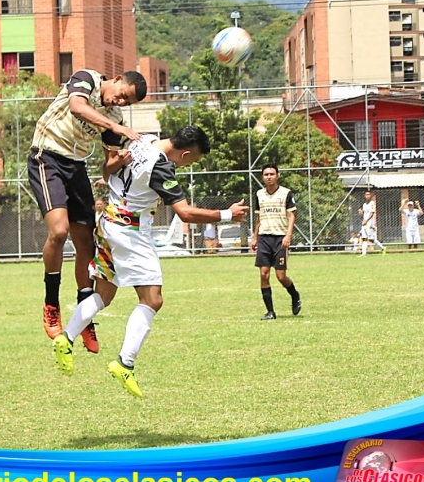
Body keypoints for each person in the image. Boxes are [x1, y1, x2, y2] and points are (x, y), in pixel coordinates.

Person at [51, 126, 249, 397]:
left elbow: (107, 167)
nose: (189, 164)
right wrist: (227, 214)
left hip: (108, 222)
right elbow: (185, 213)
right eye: (193, 160)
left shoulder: (141, 139)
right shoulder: (163, 166)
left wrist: (109, 179)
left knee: (104, 294)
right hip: (131, 232)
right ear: (187, 152)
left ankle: (66, 338)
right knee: (153, 299)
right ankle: (125, 363)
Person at [28, 68, 147, 354]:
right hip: (47, 157)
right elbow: (77, 106)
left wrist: (120, 160)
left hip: (76, 167)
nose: (120, 104)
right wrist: (116, 128)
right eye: (122, 96)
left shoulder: (113, 120)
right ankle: (51, 303)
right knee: (59, 231)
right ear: (117, 80)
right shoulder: (88, 78)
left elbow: (107, 169)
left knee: (87, 245)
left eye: (126, 104)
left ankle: (84, 316)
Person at [251, 164, 301, 320]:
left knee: (280, 276)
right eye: (266, 174)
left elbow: (292, 215)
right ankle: (270, 312)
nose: (269, 176)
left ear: (277, 175)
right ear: (262, 177)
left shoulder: (286, 193)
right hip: (264, 238)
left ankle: (294, 294)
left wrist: (288, 235)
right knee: (264, 275)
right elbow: (259, 217)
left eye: (272, 174)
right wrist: (255, 237)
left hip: (280, 238)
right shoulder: (259, 194)